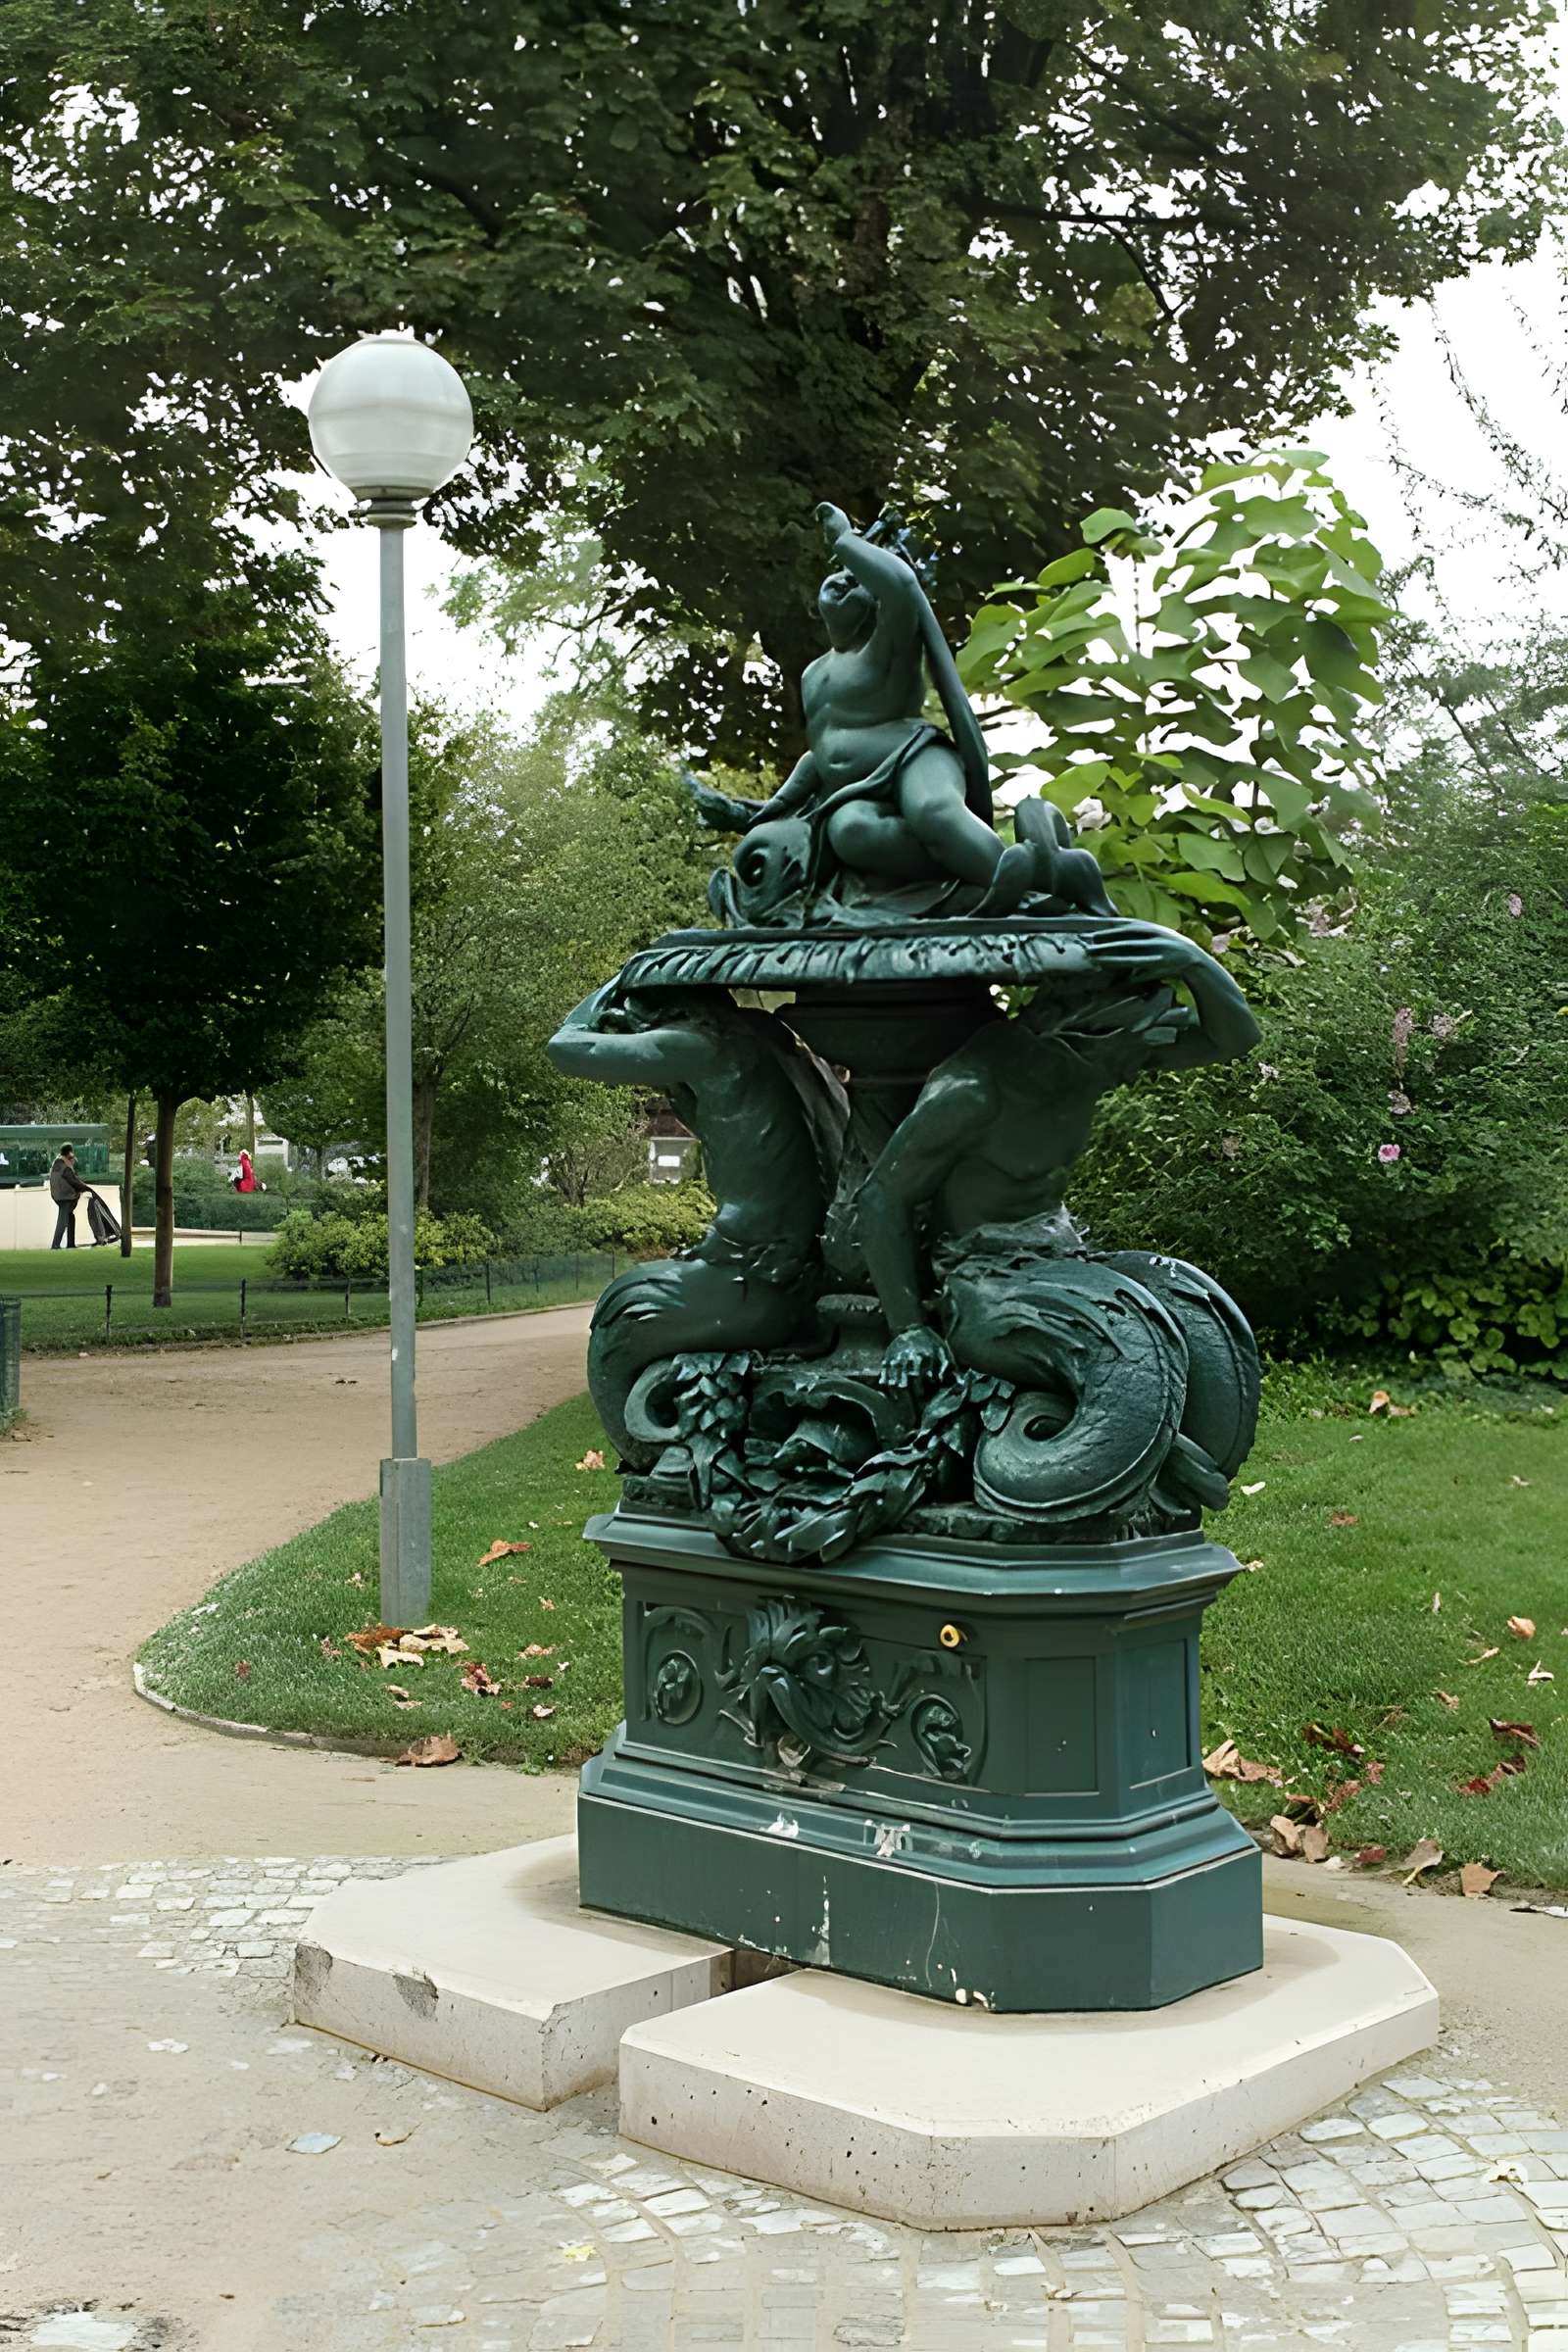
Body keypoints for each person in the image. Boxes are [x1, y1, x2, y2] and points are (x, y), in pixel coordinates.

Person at [546, 982, 847, 1460]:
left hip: (755, 1283)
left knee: (621, 1315)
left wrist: (618, 983)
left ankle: (652, 1462)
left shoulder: (700, 1044)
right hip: (807, 1272)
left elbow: (565, 1049)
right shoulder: (773, 1042)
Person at [48, 1143, 88, 1250]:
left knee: (70, 1217)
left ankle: (70, 1244)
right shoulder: (65, 1165)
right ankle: (55, 1245)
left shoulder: (57, 1162)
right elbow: (73, 1180)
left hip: (58, 1195)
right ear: (69, 1152)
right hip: (65, 1196)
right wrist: (85, 1188)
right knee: (62, 1220)